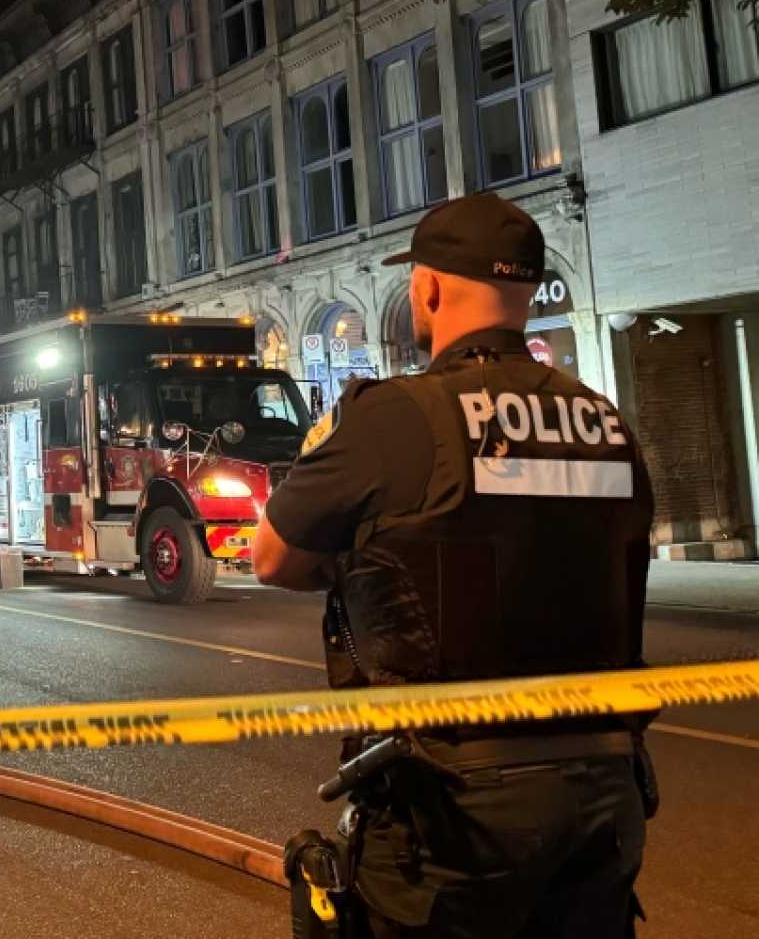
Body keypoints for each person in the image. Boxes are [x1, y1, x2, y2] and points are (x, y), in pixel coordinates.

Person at [251, 193, 655, 939]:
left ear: (427, 288)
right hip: (604, 781)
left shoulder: (397, 415)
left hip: (455, 801)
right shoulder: (606, 422)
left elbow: (270, 556)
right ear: (527, 291)